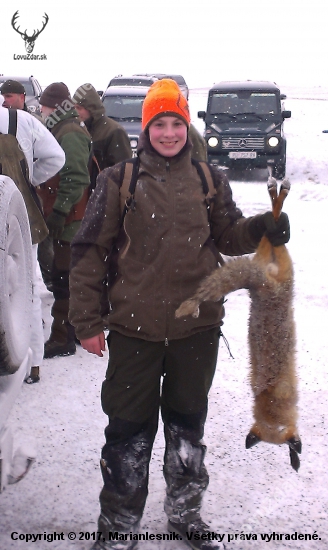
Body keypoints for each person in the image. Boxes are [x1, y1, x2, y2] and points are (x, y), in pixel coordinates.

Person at [69, 79, 290, 550]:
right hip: (134, 330)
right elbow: (89, 252)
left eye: (176, 123)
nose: (168, 133)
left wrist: (260, 228)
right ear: (146, 128)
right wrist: (86, 323)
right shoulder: (119, 180)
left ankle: (185, 513)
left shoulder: (210, 180)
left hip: (197, 327)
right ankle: (119, 526)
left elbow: (228, 236)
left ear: (186, 125)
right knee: (127, 434)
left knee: (187, 427)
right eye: (158, 124)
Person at [0, 99, 65, 383]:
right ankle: (33, 361)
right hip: (19, 215)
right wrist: (27, 182)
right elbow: (56, 157)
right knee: (26, 287)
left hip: (17, 216)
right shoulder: (21, 121)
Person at [38, 82, 91, 359]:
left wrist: (59, 211)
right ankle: (76, 331)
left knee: (65, 279)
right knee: (68, 278)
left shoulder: (69, 132)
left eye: (44, 107)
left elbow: (77, 178)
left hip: (71, 218)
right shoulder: (63, 127)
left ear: (55, 107)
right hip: (68, 215)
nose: (41, 111)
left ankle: (63, 338)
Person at [72, 83, 132, 170]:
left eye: (79, 108)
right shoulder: (77, 128)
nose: (76, 112)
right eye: (74, 108)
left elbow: (124, 169)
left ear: (91, 108)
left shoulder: (114, 131)